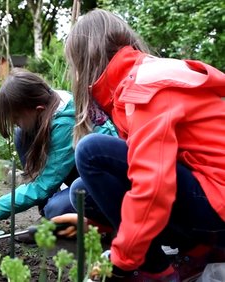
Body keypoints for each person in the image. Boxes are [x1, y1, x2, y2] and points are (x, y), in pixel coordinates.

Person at [61, 8, 225, 281]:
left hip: (217, 196)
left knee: (92, 152)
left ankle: (154, 269)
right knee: (82, 191)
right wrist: (93, 222)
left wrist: (122, 258)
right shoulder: (140, 77)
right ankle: (200, 250)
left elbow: (153, 184)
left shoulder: (145, 87)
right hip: (210, 191)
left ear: (86, 58)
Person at [0, 68, 117, 227]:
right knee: (22, 134)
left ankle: (92, 220)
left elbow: (43, 185)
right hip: (81, 172)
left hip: (104, 187)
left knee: (55, 210)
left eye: (16, 118)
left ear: (39, 110)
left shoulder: (66, 123)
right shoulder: (50, 100)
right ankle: (48, 207)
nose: (14, 123)